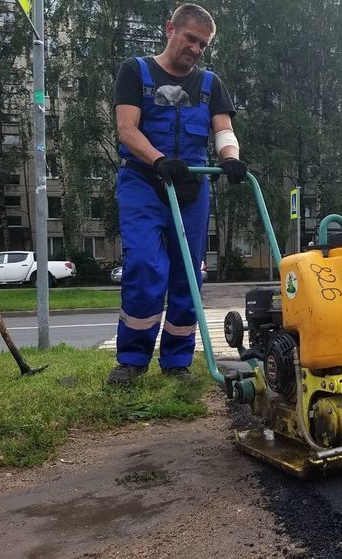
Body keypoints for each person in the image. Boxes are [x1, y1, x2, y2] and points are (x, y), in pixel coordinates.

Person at [107, 3, 247, 386]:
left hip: (191, 187)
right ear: (170, 29)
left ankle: (177, 364)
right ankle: (132, 362)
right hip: (144, 183)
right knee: (146, 266)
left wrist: (230, 158)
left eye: (204, 44)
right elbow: (127, 128)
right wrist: (159, 160)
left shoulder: (210, 83)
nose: (197, 49)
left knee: (189, 276)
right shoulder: (136, 71)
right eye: (191, 39)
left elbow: (223, 131)